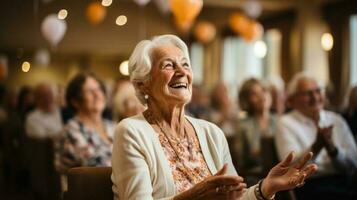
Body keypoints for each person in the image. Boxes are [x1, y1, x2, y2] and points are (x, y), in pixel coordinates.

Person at [111, 35, 317, 200]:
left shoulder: (211, 132)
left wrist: (265, 188)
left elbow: (235, 197)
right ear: (142, 84)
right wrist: (195, 196)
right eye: (168, 65)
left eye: (185, 64)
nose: (182, 72)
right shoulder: (131, 131)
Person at [275, 72, 357, 199]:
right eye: (307, 93)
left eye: (318, 91)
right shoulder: (285, 123)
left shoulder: (336, 120)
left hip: (344, 180)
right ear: (292, 100)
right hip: (308, 185)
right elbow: (290, 169)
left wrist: (333, 150)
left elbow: (353, 163)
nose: (315, 97)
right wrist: (316, 147)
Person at [56, 73, 115, 172]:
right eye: (90, 91)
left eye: (99, 89)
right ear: (75, 101)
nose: (97, 95)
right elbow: (95, 165)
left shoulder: (113, 126)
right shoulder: (70, 131)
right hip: (93, 186)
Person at [235, 78, 279, 184]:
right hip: (256, 177)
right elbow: (242, 160)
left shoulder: (279, 120)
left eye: (263, 91)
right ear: (246, 100)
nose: (262, 96)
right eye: (254, 94)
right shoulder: (244, 125)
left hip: (281, 172)